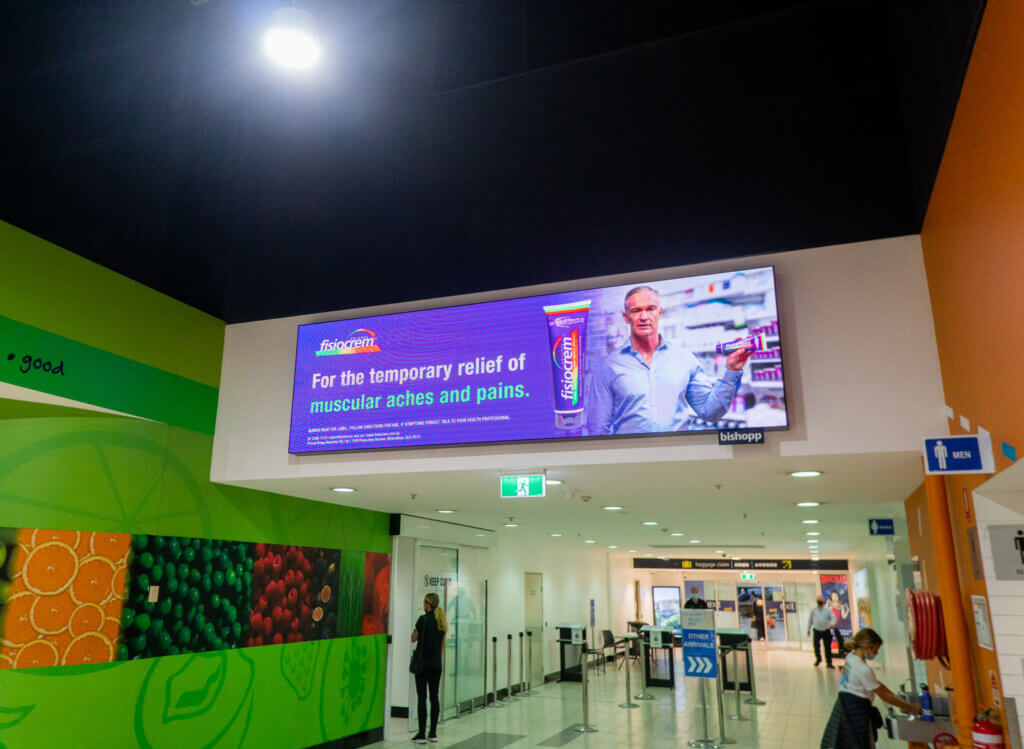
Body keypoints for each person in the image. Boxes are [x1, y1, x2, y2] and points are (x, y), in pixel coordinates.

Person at [587, 285, 753, 435]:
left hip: (677, 459)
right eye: (636, 310)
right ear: (626, 317)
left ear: (659, 313)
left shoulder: (684, 359)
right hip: (630, 461)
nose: (644, 316)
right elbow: (597, 428)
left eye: (650, 309)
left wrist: (732, 370)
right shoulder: (608, 366)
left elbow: (710, 412)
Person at [820, 629, 921, 748]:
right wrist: (909, 707)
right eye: (875, 649)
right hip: (855, 712)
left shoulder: (851, 657)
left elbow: (878, 686)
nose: (876, 653)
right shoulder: (863, 669)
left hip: (843, 705)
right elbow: (883, 694)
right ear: (867, 647)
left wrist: (898, 698)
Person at [411, 593, 447, 744]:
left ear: (427, 604)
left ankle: (421, 734)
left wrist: (415, 631)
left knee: (422, 698)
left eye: (424, 602)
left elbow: (413, 638)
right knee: (434, 697)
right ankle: (432, 733)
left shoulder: (422, 619)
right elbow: (442, 647)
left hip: (423, 664)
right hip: (436, 665)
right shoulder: (441, 622)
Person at [808, 596, 838, 668]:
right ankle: (818, 659)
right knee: (816, 646)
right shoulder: (813, 610)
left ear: (823, 601)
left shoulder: (827, 610)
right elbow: (810, 620)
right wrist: (808, 629)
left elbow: (833, 618)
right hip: (816, 631)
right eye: (819, 599)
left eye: (821, 599)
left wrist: (833, 623)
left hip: (825, 631)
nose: (820, 601)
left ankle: (829, 662)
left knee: (827, 647)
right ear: (817, 601)